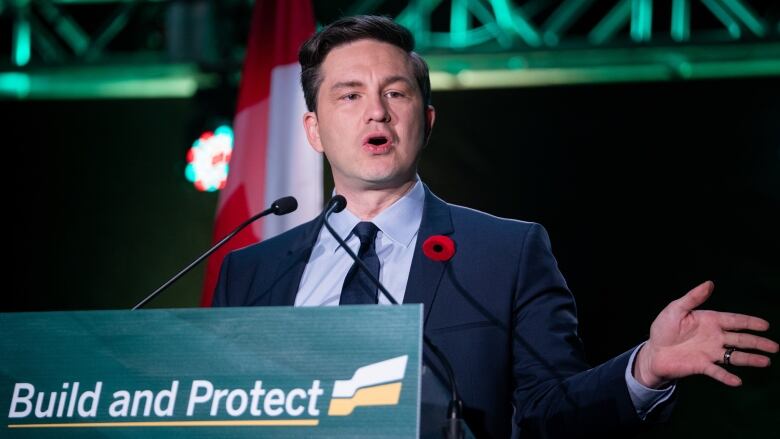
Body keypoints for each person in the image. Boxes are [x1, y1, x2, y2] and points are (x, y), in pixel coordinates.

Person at [212, 15, 777, 438]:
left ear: (425, 120)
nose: (376, 112)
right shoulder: (251, 271)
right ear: (313, 130)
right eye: (350, 95)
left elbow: (548, 411)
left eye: (395, 93)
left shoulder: (504, 253)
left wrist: (643, 370)